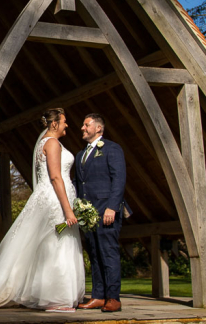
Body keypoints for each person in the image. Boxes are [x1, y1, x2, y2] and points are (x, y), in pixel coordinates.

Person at [0, 108, 85, 311]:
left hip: (51, 198)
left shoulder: (46, 142)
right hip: (56, 201)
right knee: (56, 245)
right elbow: (55, 177)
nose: (67, 125)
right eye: (64, 121)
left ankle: (46, 294)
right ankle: (55, 298)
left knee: (49, 244)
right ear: (54, 124)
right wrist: (68, 210)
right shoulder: (51, 143)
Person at [74, 113, 127, 313]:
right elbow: (81, 184)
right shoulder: (80, 155)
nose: (82, 128)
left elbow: (118, 179)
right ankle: (98, 296)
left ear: (98, 128)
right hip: (88, 214)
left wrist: (112, 207)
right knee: (95, 254)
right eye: (83, 124)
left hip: (107, 211)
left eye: (86, 124)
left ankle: (113, 298)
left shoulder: (112, 149)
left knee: (108, 253)